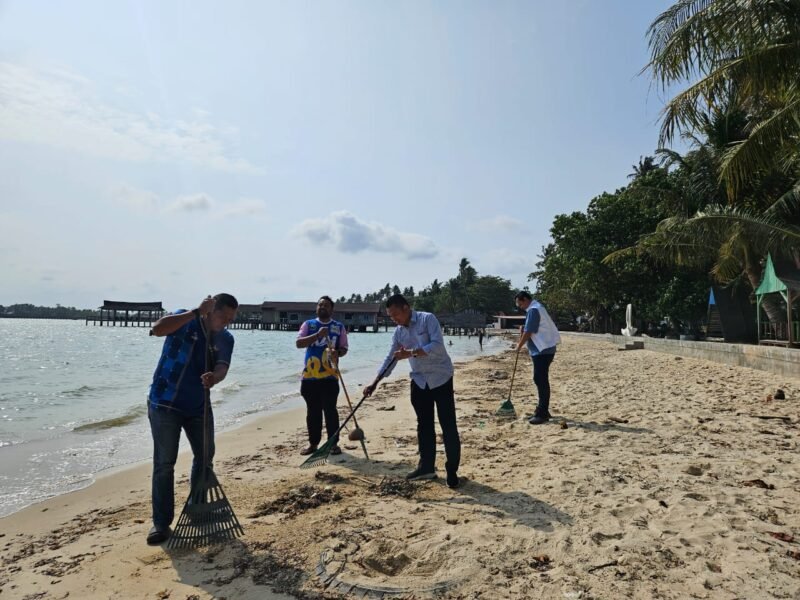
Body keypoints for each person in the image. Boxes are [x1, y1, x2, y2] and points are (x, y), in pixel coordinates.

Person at [146, 293, 238, 545]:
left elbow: (223, 367)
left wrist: (215, 377)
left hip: (198, 406)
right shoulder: (184, 319)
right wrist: (195, 312)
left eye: (231, 319)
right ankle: (161, 523)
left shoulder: (225, 338)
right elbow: (157, 329)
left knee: (205, 456)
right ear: (211, 310)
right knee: (164, 463)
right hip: (164, 402)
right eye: (223, 317)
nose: (226, 323)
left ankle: (197, 508)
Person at [364, 294, 461, 488]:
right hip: (419, 380)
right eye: (391, 317)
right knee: (424, 425)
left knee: (448, 425)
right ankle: (426, 467)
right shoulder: (399, 332)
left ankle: (452, 470)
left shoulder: (427, 319)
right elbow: (391, 358)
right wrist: (375, 382)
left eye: (396, 315)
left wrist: (410, 353)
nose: (394, 319)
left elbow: (437, 346)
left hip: (441, 377)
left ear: (406, 308)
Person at [295, 296, 348, 456]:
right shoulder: (309, 324)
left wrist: (338, 352)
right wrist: (317, 335)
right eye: (320, 305)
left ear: (332, 309)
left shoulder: (338, 327)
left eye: (326, 305)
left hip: (330, 377)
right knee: (313, 412)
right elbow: (299, 343)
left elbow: (344, 348)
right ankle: (313, 444)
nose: (322, 307)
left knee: (330, 411)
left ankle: (333, 444)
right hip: (310, 377)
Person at [514, 291, 561, 425]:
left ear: (525, 299)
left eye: (520, 304)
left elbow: (530, 331)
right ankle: (543, 409)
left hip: (543, 350)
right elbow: (530, 328)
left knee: (540, 379)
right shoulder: (538, 307)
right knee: (540, 379)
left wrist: (519, 346)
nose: (520, 307)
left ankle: (542, 412)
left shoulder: (533, 310)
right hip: (546, 348)